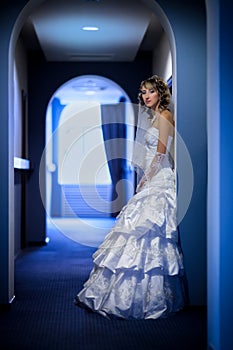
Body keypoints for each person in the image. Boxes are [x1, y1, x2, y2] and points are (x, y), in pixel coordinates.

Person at [74, 75, 186, 319]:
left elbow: (160, 154)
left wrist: (145, 180)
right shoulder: (150, 117)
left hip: (159, 180)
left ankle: (151, 296)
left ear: (161, 94)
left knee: (150, 231)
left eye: (151, 92)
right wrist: (143, 179)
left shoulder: (165, 117)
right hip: (150, 178)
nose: (146, 96)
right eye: (143, 91)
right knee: (132, 228)